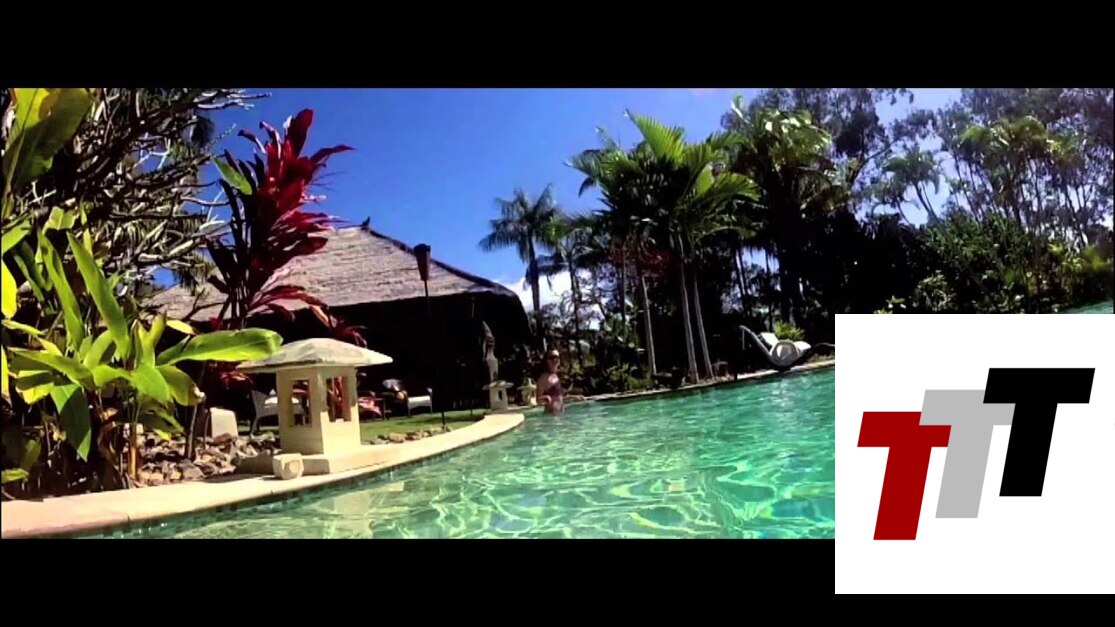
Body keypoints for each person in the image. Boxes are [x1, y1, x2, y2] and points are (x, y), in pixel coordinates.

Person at [536, 349, 585, 414]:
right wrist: (545, 398)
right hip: (551, 416)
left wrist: (575, 397)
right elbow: (538, 401)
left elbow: (559, 399)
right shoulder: (543, 378)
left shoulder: (556, 376)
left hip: (561, 414)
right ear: (547, 360)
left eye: (557, 357)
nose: (555, 360)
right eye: (552, 357)